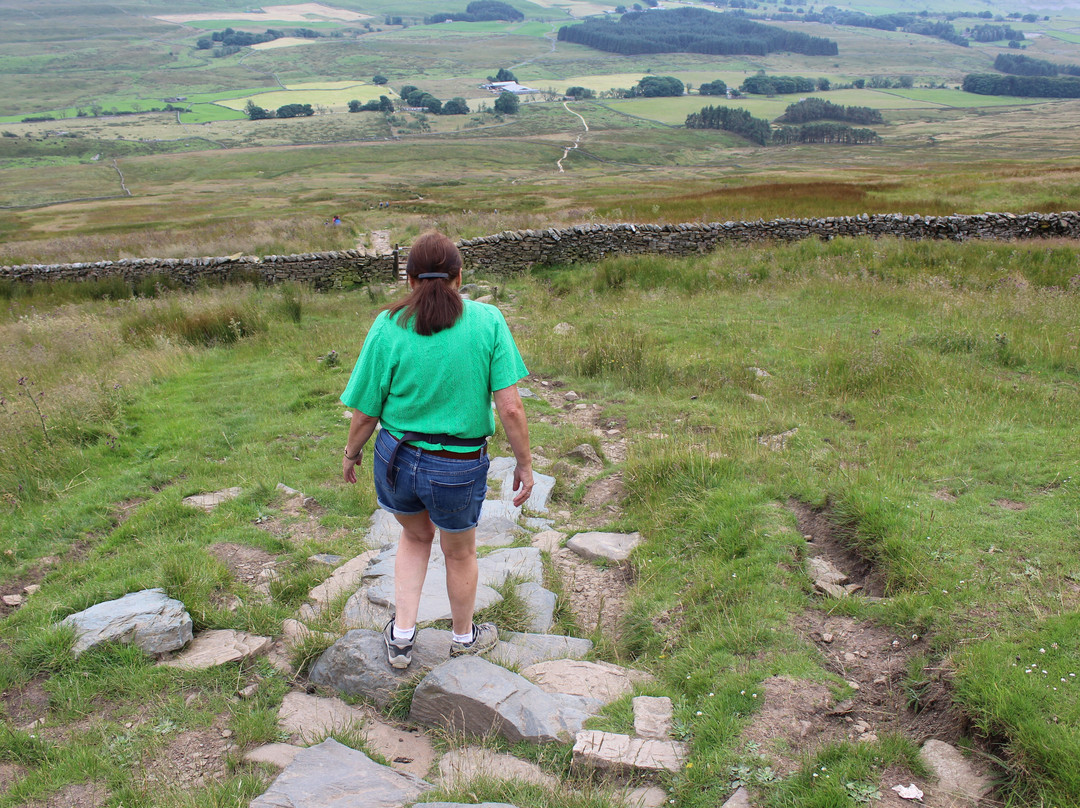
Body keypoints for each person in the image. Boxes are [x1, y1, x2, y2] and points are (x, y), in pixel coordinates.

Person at [340, 231, 533, 670]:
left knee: (414, 536)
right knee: (459, 552)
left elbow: (366, 411)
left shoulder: (387, 324)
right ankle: (463, 640)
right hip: (458, 466)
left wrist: (351, 453)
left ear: (409, 279)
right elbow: (510, 407)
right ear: (459, 276)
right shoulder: (488, 321)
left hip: (397, 459)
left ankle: (401, 638)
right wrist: (523, 463)